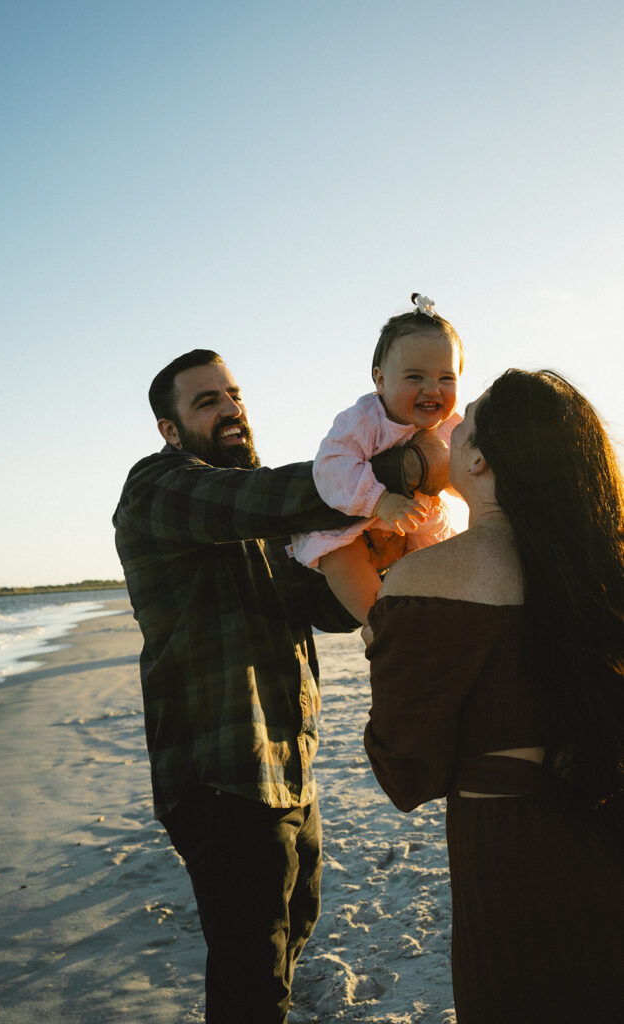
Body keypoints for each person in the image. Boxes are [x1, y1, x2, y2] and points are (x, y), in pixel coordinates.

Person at [112, 348, 445, 1024]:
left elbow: (318, 605)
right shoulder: (158, 488)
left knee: (291, 934)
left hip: (289, 770)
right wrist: (400, 465)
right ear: (169, 431)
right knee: (250, 978)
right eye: (206, 402)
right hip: (219, 776)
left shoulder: (265, 527)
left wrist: (381, 542)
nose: (232, 409)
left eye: (233, 395)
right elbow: (262, 498)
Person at [363, 369, 624, 1023]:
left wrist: (383, 637)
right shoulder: (605, 572)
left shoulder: (425, 576)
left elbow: (405, 772)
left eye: (463, 420)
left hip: (512, 863)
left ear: (478, 458)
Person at [292, 294, 463, 624]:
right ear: (381, 380)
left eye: (446, 378)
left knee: (441, 560)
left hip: (415, 522)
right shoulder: (363, 420)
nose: (433, 389)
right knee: (339, 555)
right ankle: (380, 624)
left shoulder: (452, 426)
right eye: (415, 377)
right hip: (354, 522)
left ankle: (436, 621)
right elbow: (332, 466)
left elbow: (466, 469)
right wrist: (380, 501)